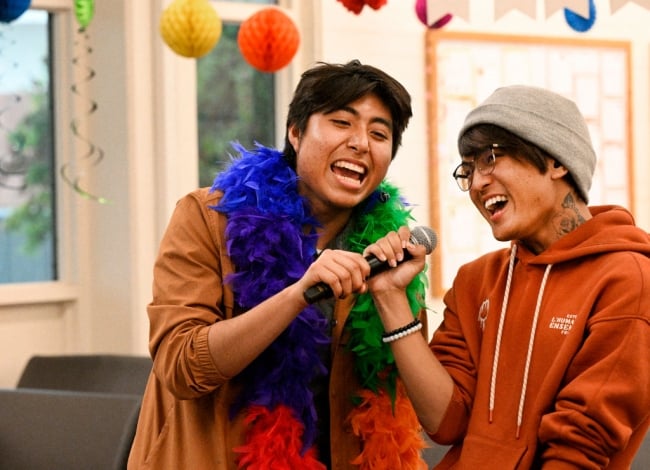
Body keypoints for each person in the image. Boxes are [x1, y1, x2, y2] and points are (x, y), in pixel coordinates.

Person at [127, 60, 432, 470]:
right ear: (295, 131)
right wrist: (298, 295)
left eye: (380, 133)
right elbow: (182, 368)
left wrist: (392, 296)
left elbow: (408, 403)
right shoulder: (209, 218)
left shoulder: (387, 251)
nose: (361, 143)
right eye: (342, 122)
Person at [363, 85, 650, 468]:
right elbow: (444, 423)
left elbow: (582, 445)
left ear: (556, 161)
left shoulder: (629, 279)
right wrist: (390, 297)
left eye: (491, 158)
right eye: (468, 170)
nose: (478, 183)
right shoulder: (475, 280)